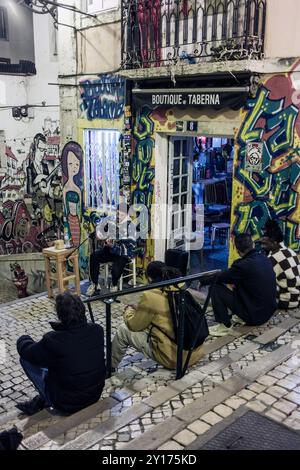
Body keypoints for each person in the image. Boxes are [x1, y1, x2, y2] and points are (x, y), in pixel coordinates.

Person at [16, 292, 106, 416]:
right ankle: (42, 399)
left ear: (60, 315)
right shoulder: (97, 330)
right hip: (94, 395)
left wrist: (23, 338)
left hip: (66, 404)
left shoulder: (53, 340)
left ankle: (45, 398)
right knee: (61, 361)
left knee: (26, 360)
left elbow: (27, 352)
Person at [111, 261, 204, 370]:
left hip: (176, 358)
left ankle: (109, 368)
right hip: (194, 353)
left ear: (150, 279)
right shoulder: (180, 286)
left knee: (123, 330)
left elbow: (133, 325)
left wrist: (128, 310)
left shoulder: (151, 295)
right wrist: (141, 308)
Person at [209, 233, 277, 337]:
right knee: (238, 281)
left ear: (237, 250)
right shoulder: (264, 258)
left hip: (255, 316)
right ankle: (240, 316)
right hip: (268, 312)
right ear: (253, 245)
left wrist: (202, 281)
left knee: (215, 287)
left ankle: (224, 326)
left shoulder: (241, 266)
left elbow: (219, 278)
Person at [87, 206, 136, 296]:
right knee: (94, 256)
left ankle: (114, 285)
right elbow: (102, 229)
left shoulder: (131, 226)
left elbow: (130, 247)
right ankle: (95, 284)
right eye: (117, 213)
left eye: (121, 215)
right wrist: (99, 234)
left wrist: (113, 246)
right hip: (110, 250)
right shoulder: (112, 221)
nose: (118, 216)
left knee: (115, 270)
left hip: (123, 253)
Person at [261, 220, 300, 309]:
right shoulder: (291, 251)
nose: (263, 246)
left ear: (274, 242)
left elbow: (266, 282)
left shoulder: (272, 258)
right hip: (298, 298)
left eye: (265, 244)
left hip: (286, 302)